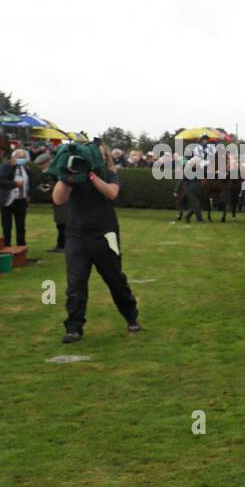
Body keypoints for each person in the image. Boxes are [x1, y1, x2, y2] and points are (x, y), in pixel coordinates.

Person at [48, 142, 140, 343]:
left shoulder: (110, 175)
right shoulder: (73, 176)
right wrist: (68, 175)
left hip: (107, 235)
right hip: (77, 235)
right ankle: (74, 328)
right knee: (76, 284)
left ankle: (131, 316)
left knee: (115, 279)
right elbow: (58, 199)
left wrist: (91, 175)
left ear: (104, 157)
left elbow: (112, 193)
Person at [0, 147, 34, 248]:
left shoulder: (26, 168)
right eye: (20, 157)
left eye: (24, 157)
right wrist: (15, 184)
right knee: (7, 225)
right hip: (7, 200)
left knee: (21, 225)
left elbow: (30, 183)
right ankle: (6, 246)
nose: (22, 159)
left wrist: (29, 194)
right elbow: (1, 181)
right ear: (13, 157)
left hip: (21, 200)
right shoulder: (6, 166)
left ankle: (21, 246)